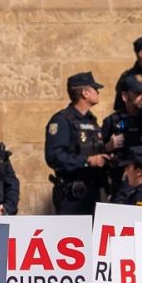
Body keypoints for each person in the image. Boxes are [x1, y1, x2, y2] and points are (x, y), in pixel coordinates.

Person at [45, 72, 110, 214]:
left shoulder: (91, 121)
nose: (98, 92)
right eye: (95, 89)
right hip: (72, 195)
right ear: (85, 93)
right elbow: (55, 157)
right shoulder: (62, 120)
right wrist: (88, 161)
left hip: (92, 191)